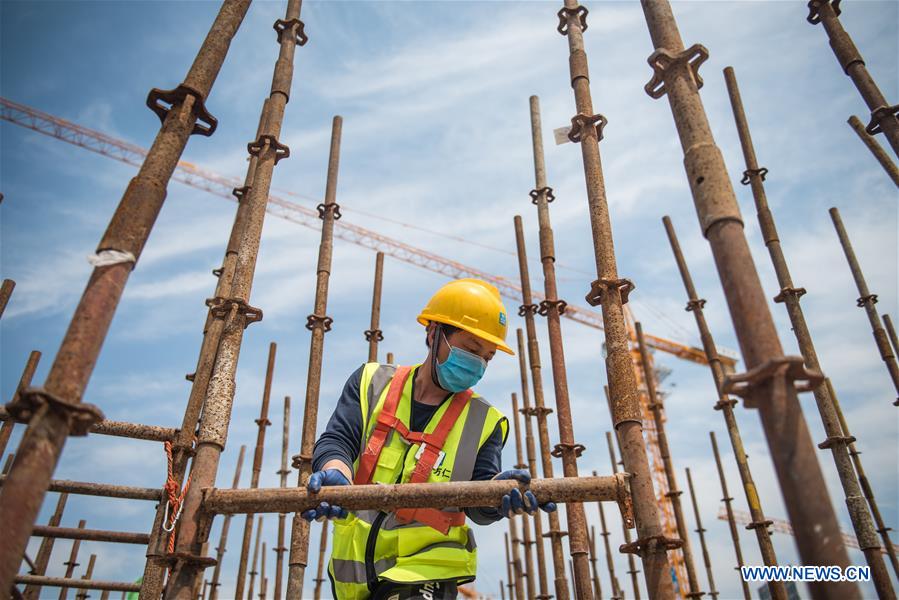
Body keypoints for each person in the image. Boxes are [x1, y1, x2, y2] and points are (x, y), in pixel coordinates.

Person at [302, 278, 557, 600]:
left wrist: (498, 495)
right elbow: (339, 438)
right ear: (433, 332)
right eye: (470, 348)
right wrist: (336, 472)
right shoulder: (372, 382)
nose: (477, 363)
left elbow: (477, 506)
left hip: (429, 571)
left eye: (487, 357)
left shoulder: (483, 421)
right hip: (353, 578)